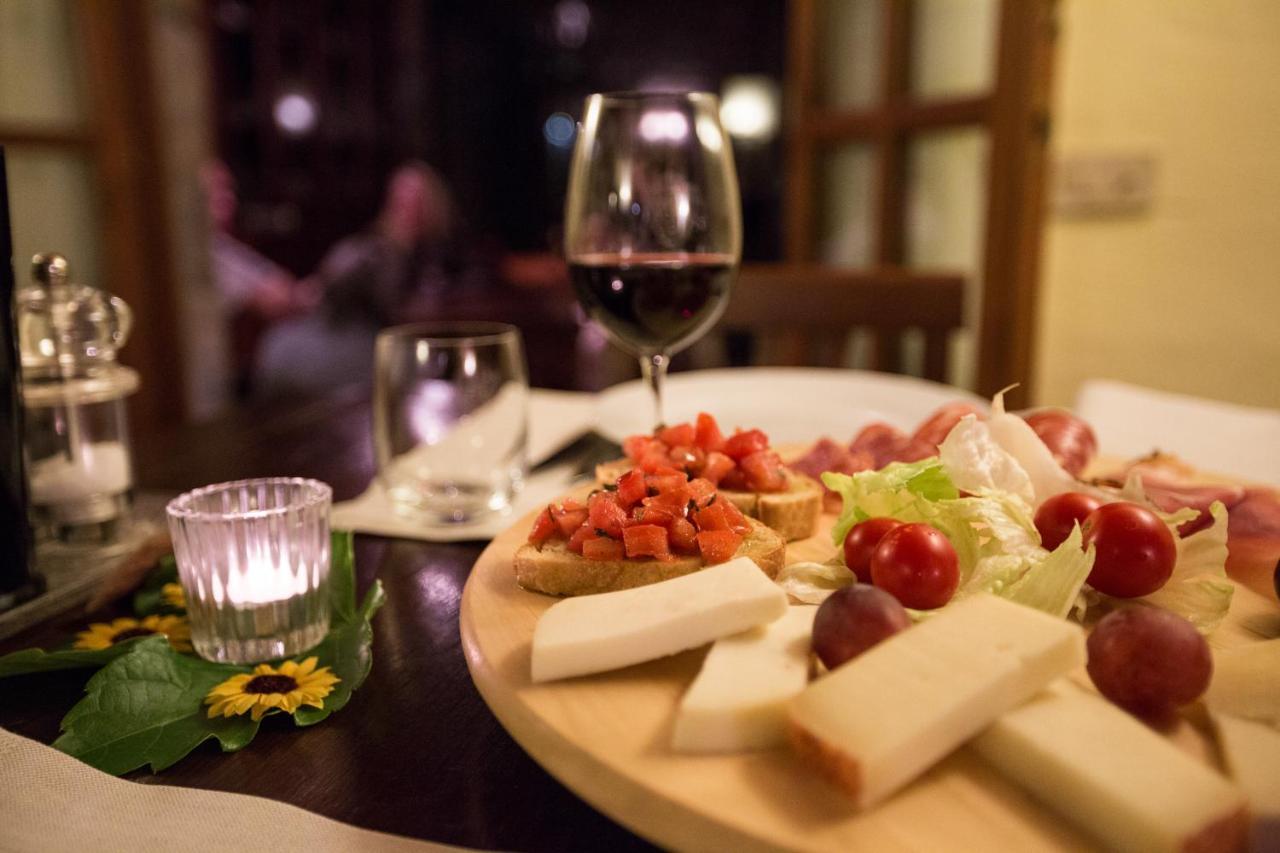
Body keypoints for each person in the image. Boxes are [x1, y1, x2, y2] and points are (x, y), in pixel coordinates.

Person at [254, 162, 465, 397]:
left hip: (397, 341)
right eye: (401, 193)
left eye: (415, 195)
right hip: (355, 338)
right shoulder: (375, 248)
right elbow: (336, 286)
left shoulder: (436, 248)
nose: (406, 201)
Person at [198, 161, 313, 403]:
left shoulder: (225, 246)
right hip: (234, 379)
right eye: (217, 191)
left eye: (229, 190)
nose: (227, 199)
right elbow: (274, 302)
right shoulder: (198, 257)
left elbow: (280, 280)